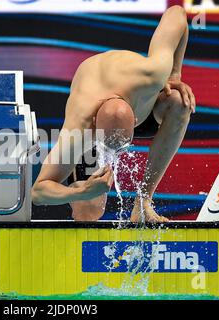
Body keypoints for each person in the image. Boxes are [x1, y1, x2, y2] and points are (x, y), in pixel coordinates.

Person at [32, 5, 196, 223]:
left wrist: (174, 74)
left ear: (136, 122)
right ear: (94, 128)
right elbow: (38, 193)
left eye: (120, 148)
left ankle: (144, 201)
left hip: (138, 93)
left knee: (180, 102)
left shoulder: (153, 73)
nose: (115, 155)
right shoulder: (79, 125)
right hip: (97, 98)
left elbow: (177, 13)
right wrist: (81, 192)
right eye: (108, 148)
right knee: (87, 213)